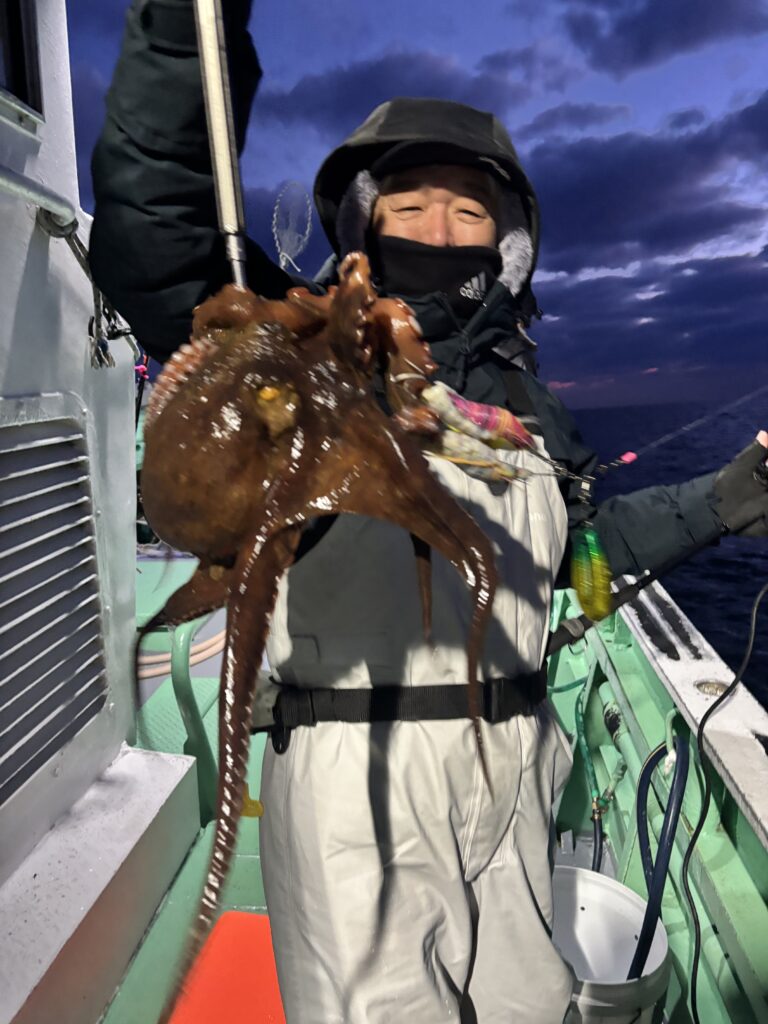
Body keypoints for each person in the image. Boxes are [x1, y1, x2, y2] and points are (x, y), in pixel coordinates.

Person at [89, 2, 768, 1021]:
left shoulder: (527, 404)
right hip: (357, 782)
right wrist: (194, 34)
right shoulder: (304, 349)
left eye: (469, 213)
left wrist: (727, 498)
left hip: (521, 774)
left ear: (509, 241)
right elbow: (154, 228)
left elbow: (581, 556)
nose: (442, 233)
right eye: (410, 207)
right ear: (365, 225)